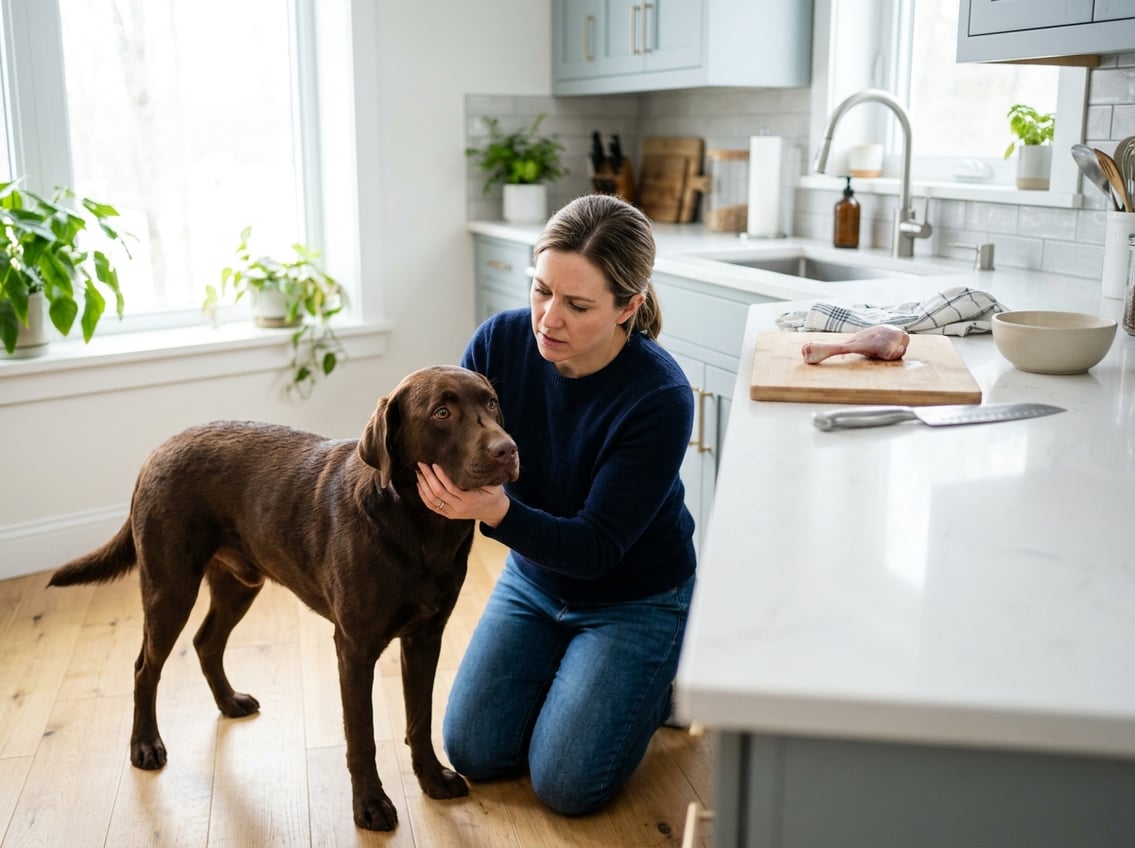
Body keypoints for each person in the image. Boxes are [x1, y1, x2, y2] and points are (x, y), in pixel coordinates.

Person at [416, 193, 696, 816]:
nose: (548, 319)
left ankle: (663, 682)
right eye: (542, 290)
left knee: (567, 786)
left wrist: (494, 512)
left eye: (577, 305)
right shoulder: (498, 344)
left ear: (630, 305)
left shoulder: (660, 397)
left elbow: (597, 547)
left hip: (635, 597)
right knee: (473, 752)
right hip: (535, 580)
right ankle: (580, 674)